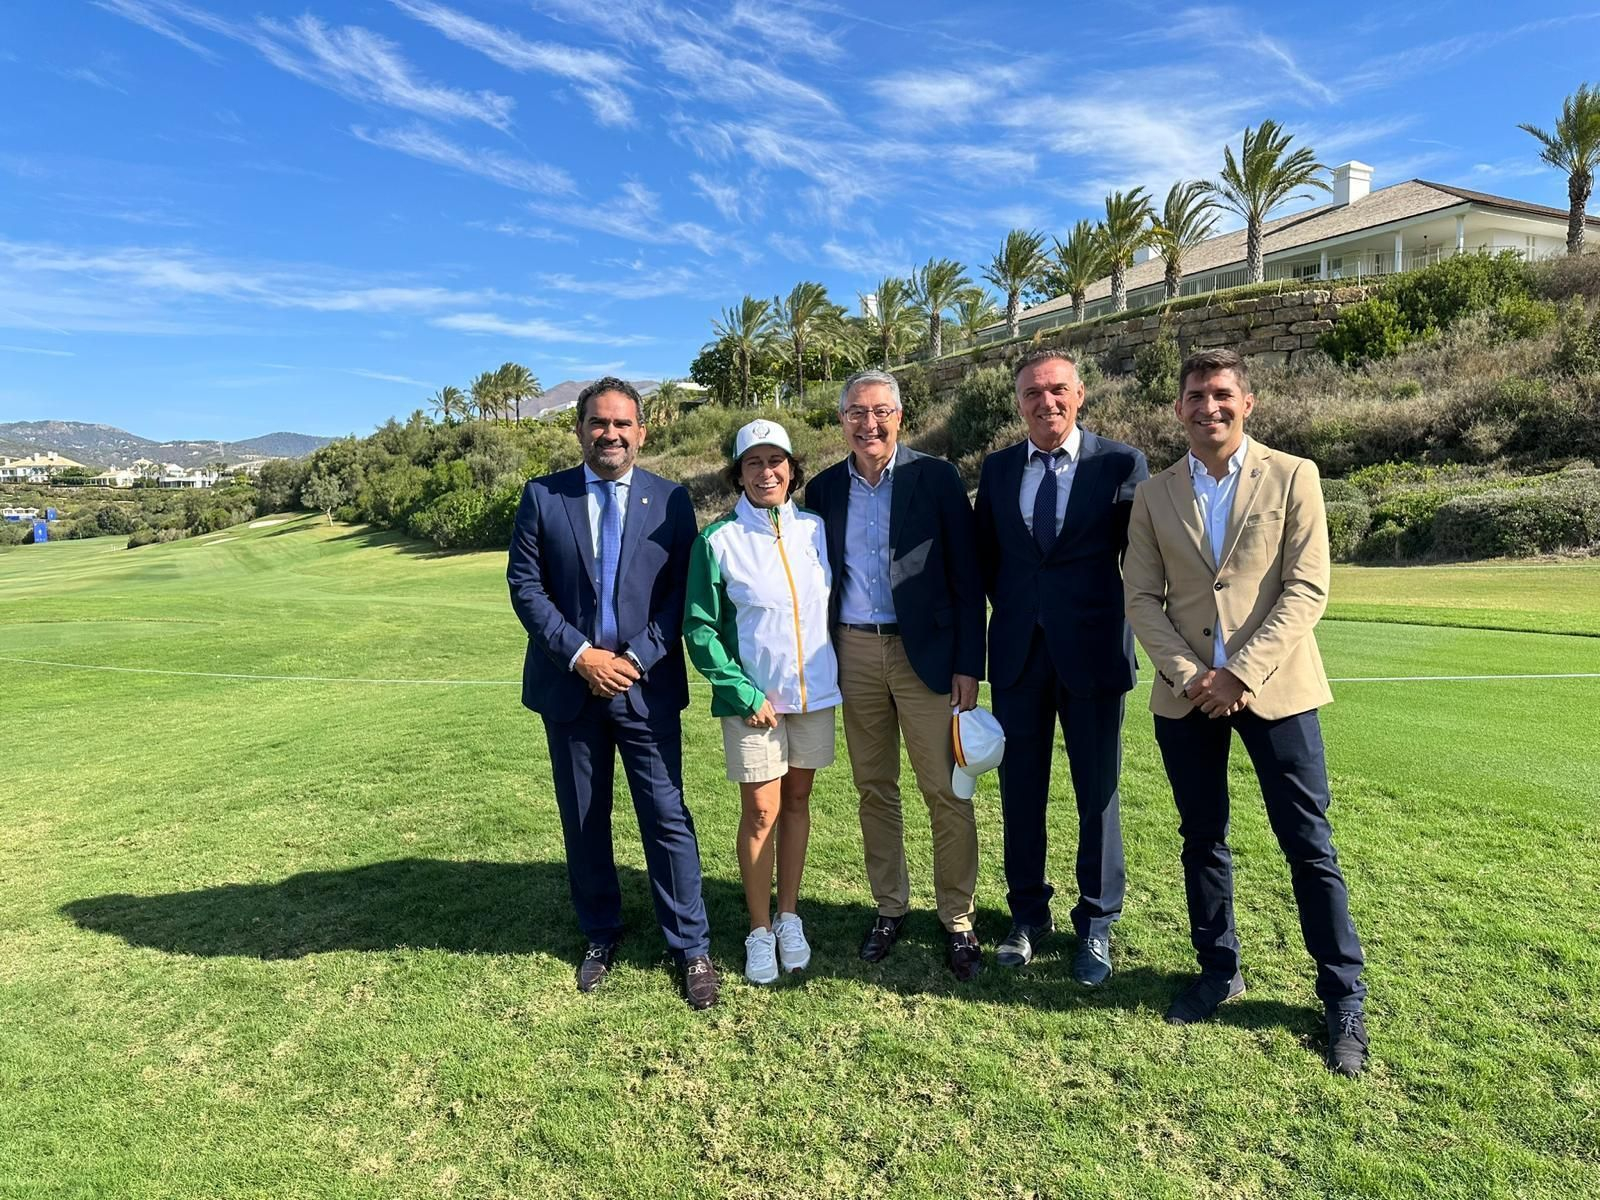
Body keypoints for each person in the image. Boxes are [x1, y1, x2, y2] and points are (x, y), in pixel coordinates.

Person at [1123, 347, 1369, 1075]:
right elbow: (1141, 596)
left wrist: (1240, 675)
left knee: (1309, 845)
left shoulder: (1295, 476)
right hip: (1186, 695)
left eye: (1222, 394)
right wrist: (1193, 675)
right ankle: (1218, 968)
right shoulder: (1154, 493)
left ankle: (1342, 993)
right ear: (1178, 409)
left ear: (1248, 403)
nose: (1210, 408)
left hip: (1278, 690)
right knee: (1202, 838)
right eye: (1196, 396)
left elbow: (1307, 588)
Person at [506, 376, 719, 1011]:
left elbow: (683, 592)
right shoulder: (545, 496)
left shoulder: (671, 500)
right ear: (580, 429)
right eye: (599, 423)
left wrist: (634, 657)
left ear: (642, 432)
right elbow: (525, 585)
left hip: (645, 686)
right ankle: (600, 933)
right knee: (584, 815)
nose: (612, 434)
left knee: (667, 816)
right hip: (571, 686)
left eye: (623, 424)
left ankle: (691, 945)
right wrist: (581, 655)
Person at [803, 369, 987, 981]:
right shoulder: (825, 489)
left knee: (946, 789)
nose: (869, 423)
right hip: (853, 652)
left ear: (900, 417)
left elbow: (967, 577)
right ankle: (890, 906)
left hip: (926, 655)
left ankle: (957, 916)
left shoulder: (934, 477)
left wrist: (969, 663)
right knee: (874, 788)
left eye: (881, 411)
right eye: (856, 411)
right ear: (842, 421)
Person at [974, 349, 1149, 985]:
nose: (1044, 402)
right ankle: (1026, 915)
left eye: (1056, 391)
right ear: (1017, 403)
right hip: (1019, 654)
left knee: (1096, 795)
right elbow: (987, 561)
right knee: (1021, 794)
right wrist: (1023, 611)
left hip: (1095, 655)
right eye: (1031, 394)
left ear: (1079, 395)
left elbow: (1144, 556)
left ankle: (1096, 924)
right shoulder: (996, 470)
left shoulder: (1120, 463)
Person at [684, 420, 839, 985]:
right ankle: (757, 929)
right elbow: (700, 630)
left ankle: (789, 916)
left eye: (776, 460)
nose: (766, 471)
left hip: (814, 695)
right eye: (754, 462)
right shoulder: (716, 540)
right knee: (761, 812)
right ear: (738, 473)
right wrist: (743, 692)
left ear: (792, 469)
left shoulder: (817, 529)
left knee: (797, 804)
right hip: (753, 704)